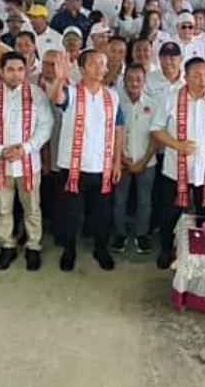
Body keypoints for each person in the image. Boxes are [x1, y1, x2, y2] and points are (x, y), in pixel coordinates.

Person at [151, 57, 205, 269]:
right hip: (175, 170)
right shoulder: (170, 99)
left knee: (204, 214)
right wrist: (177, 145)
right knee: (170, 212)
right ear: (186, 77)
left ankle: (201, 254)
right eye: (197, 75)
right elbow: (156, 129)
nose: (203, 79)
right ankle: (166, 250)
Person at [0, 52, 53, 271]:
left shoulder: (37, 94)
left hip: (29, 163)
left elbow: (46, 125)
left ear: (26, 71)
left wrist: (26, 148)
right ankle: (7, 244)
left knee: (32, 208)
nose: (15, 74)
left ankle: (33, 245)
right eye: (10, 69)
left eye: (20, 69)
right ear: (1, 72)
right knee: (3, 208)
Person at [48, 49, 124, 271]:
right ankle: (69, 250)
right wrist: (60, 77)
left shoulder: (112, 95)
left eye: (103, 64)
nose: (101, 68)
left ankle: (101, 249)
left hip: (102, 166)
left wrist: (117, 161)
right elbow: (55, 97)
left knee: (102, 213)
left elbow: (119, 129)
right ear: (82, 69)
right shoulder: (71, 92)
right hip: (73, 167)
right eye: (94, 64)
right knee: (71, 214)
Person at [112, 63, 159, 254]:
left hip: (146, 162)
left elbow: (157, 135)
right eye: (130, 79)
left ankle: (142, 234)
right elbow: (112, 134)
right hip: (121, 162)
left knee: (144, 201)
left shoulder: (153, 104)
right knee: (119, 200)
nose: (134, 83)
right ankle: (120, 234)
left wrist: (143, 161)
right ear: (123, 82)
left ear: (144, 81)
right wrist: (122, 158)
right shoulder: (117, 103)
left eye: (138, 79)